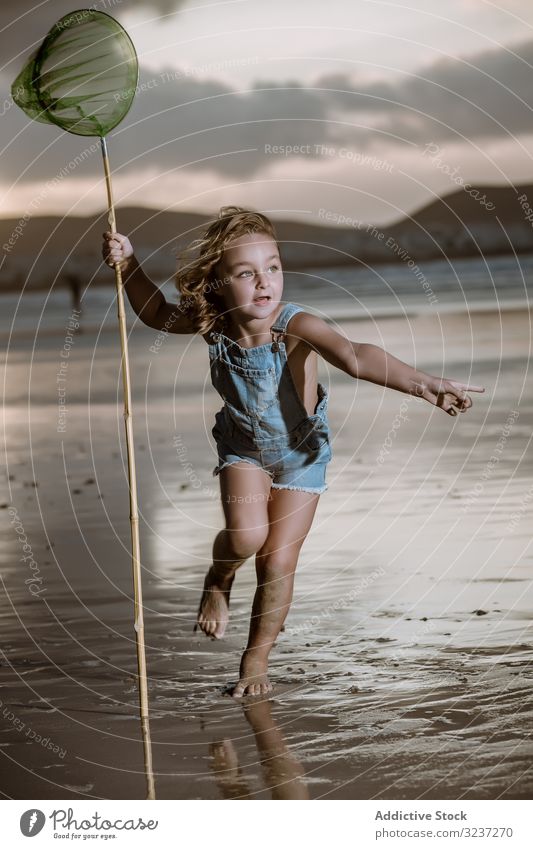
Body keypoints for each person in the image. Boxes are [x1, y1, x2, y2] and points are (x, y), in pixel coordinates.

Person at [102, 206, 485, 698]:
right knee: (245, 538)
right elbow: (154, 312)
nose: (265, 283)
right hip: (243, 449)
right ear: (218, 282)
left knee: (277, 564)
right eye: (246, 273)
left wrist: (424, 385)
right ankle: (219, 580)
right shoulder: (212, 321)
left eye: (273, 268)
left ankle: (255, 660)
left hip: (302, 457)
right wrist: (128, 262)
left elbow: (354, 355)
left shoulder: (295, 325)